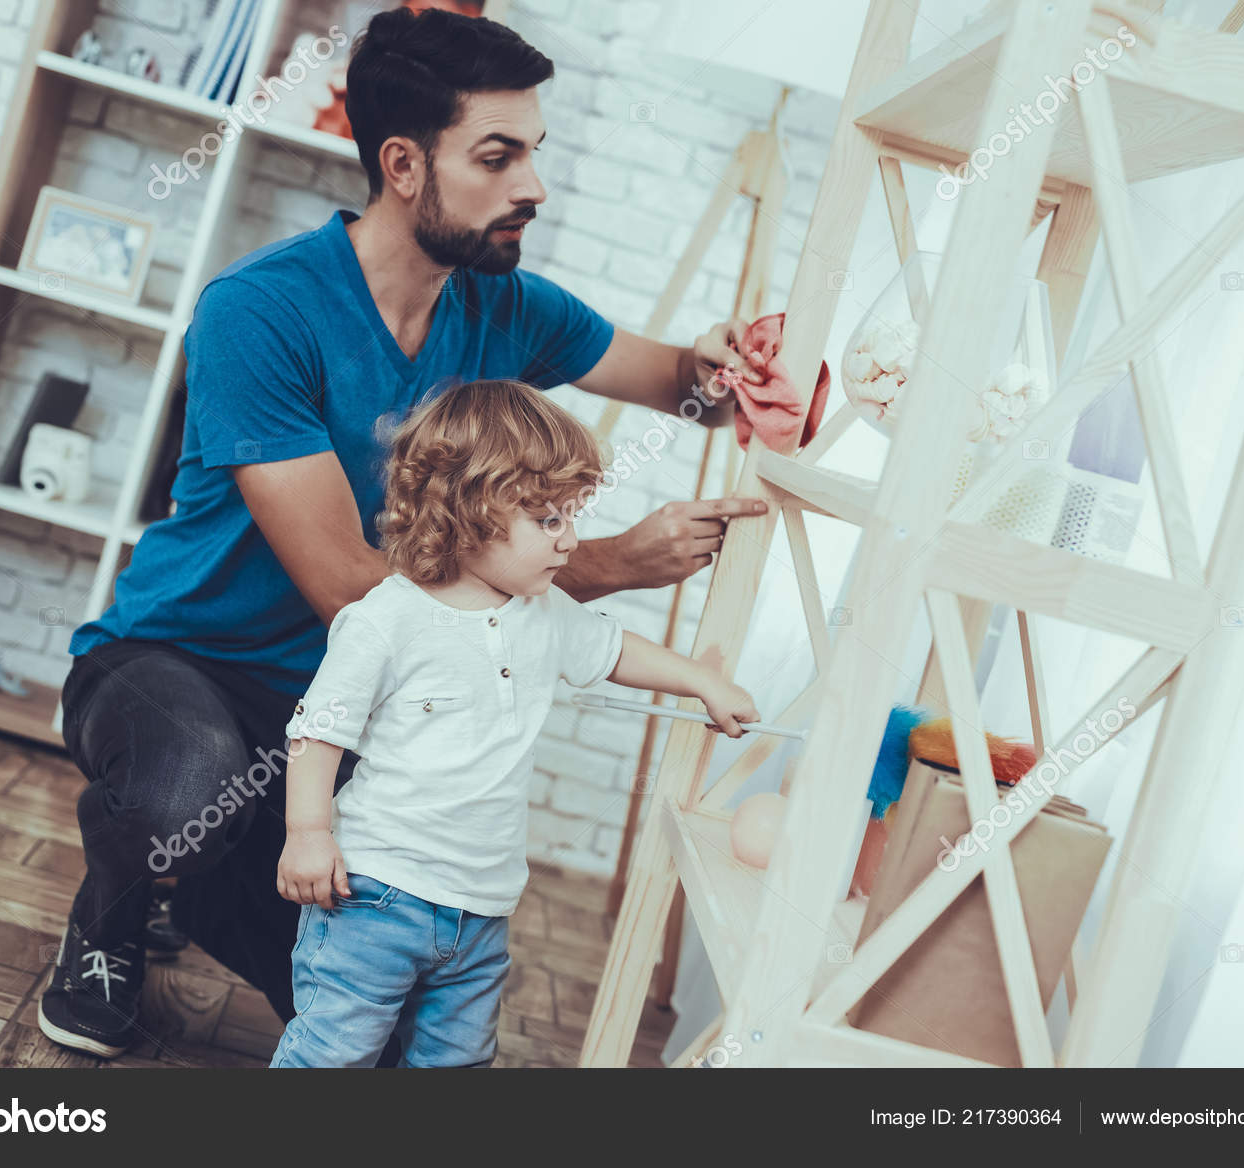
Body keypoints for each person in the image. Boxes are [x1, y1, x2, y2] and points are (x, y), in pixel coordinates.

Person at [40, 6, 767, 1060]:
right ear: (403, 164)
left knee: (378, 1046)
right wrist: (610, 564)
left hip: (340, 715)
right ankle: (112, 915)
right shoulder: (260, 311)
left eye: (535, 152)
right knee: (185, 791)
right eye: (498, 157)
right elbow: (350, 585)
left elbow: (677, 385)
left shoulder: (506, 306)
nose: (534, 185)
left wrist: (722, 364)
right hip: (181, 666)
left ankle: (192, 878)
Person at [270, 380, 758, 1068]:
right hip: (374, 893)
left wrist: (702, 681)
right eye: (549, 520)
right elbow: (318, 732)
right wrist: (308, 835)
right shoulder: (386, 619)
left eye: (572, 516)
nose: (571, 540)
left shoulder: (543, 611)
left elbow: (615, 650)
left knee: (458, 1060)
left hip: (482, 908)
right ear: (468, 511)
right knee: (333, 1052)